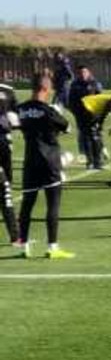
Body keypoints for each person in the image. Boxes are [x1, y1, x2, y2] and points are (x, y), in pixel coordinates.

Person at [15, 71, 74, 259]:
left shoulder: (20, 109)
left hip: (30, 161)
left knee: (27, 205)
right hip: (50, 161)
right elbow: (67, 127)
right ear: (45, 88)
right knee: (53, 204)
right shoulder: (48, 110)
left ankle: (24, 246)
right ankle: (52, 247)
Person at [68, 65, 104, 166]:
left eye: (84, 72)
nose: (82, 74)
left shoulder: (95, 84)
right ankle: (90, 161)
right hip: (81, 116)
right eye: (80, 73)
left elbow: (100, 98)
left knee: (95, 137)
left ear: (88, 72)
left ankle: (98, 160)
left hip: (94, 116)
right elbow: (71, 101)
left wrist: (99, 113)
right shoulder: (74, 85)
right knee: (85, 138)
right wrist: (76, 112)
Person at [0, 83, 19, 245]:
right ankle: (16, 237)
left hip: (3, 142)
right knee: (5, 193)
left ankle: (16, 237)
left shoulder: (7, 90)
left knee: (5, 191)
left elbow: (15, 112)